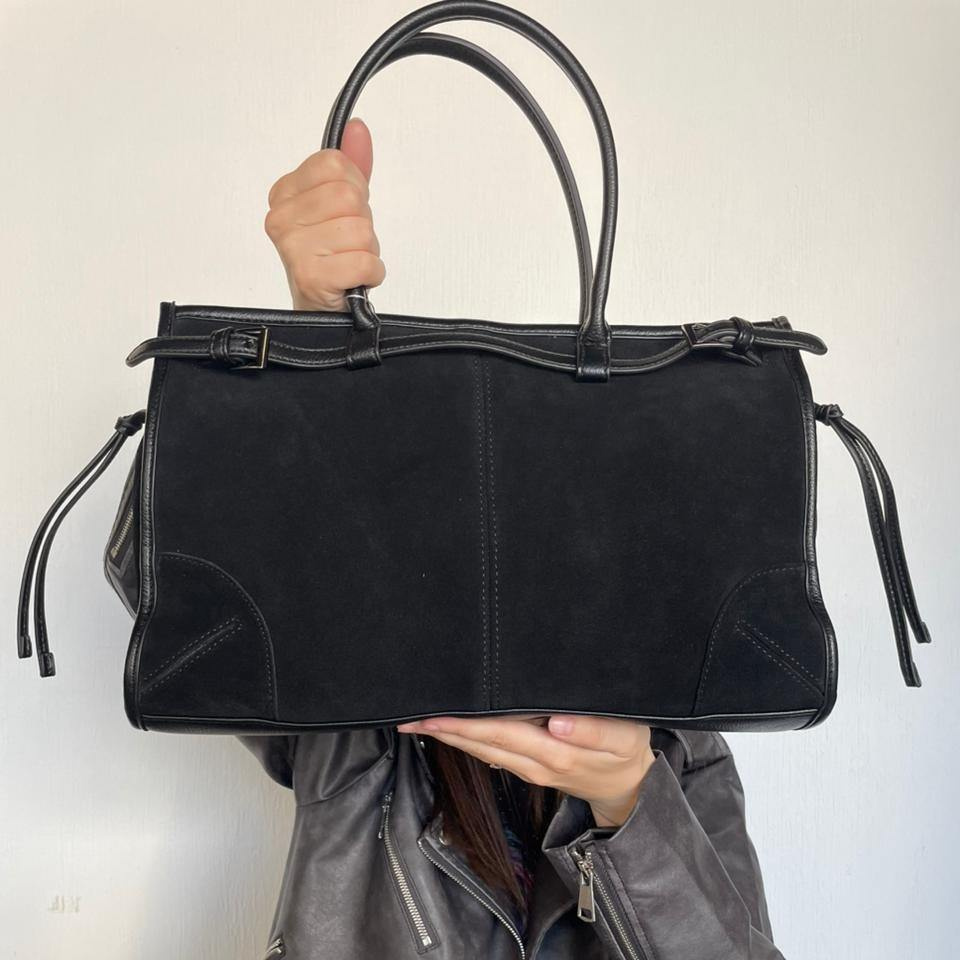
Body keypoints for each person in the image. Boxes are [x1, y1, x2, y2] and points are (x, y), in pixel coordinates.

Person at [239, 117, 786, 960]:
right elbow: (196, 604)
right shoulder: (356, 707)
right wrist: (314, 354)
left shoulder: (675, 736)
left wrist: (628, 802)